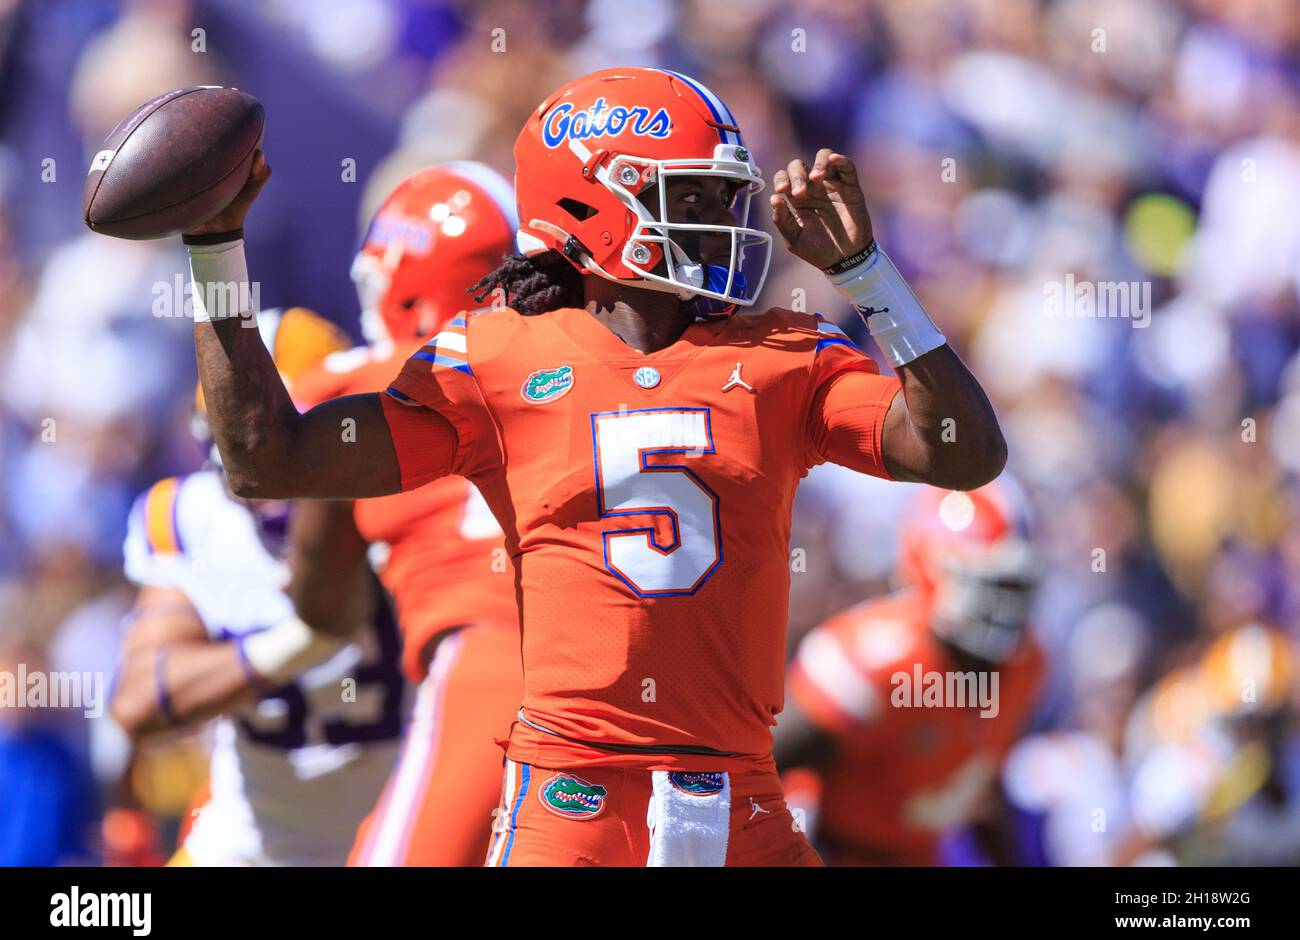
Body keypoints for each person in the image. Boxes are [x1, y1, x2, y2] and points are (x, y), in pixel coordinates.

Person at [173, 66, 1006, 866]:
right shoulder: (494, 358)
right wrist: (215, 245)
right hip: (576, 801)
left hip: (744, 799)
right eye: (693, 193)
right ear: (593, 201)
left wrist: (868, 275)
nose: (724, 213)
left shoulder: (785, 356)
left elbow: (962, 452)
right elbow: (266, 456)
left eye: (723, 191)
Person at [289, 162, 523, 866]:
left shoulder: (359, 384)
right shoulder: (557, 361)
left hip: (487, 659)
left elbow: (256, 455)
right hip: (614, 660)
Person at [111, 308, 405, 866]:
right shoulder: (189, 517)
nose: (265, 466)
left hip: (400, 840)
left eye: (290, 438)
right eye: (240, 440)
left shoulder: (400, 505)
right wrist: (300, 641)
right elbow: (138, 700)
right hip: (247, 847)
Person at [775, 482, 1044, 865]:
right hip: (824, 847)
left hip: (917, 853)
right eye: (988, 585)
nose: (1002, 608)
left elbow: (981, 784)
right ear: (928, 568)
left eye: (1012, 586)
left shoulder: (1026, 664)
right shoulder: (878, 659)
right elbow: (766, 760)